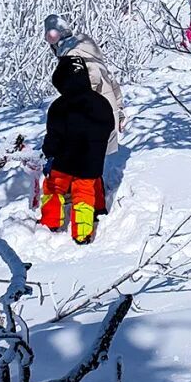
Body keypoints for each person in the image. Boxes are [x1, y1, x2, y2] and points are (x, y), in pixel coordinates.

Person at [40, 56, 115, 244]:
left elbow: (53, 136)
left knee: (53, 187)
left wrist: (49, 153)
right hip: (92, 160)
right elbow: (109, 126)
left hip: (63, 162)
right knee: (86, 190)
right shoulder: (101, 102)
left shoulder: (59, 106)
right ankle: (83, 232)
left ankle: (50, 223)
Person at [42, 14, 124, 155]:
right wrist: (119, 108)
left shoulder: (72, 54)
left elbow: (92, 78)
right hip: (105, 113)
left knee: (85, 161)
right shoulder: (87, 50)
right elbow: (111, 80)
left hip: (94, 118)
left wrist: (76, 107)